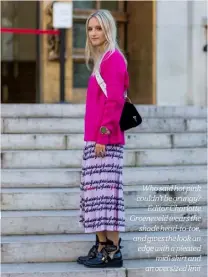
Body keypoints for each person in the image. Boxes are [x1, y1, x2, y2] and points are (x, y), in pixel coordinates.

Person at [77, 9, 129, 268]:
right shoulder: (103, 60)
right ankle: (101, 247)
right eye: (90, 29)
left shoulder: (113, 60)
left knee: (107, 196)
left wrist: (102, 137)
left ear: (109, 30)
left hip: (105, 142)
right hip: (95, 139)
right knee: (95, 195)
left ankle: (113, 251)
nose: (94, 33)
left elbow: (115, 101)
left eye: (99, 28)